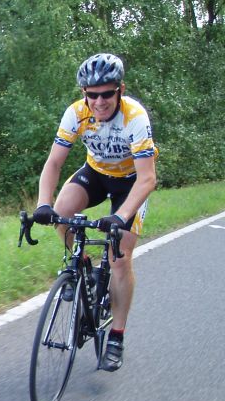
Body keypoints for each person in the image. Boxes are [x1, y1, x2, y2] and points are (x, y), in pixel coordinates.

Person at [33, 53, 157, 372]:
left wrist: (120, 217)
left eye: (107, 93)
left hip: (130, 182)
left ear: (120, 90)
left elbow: (148, 178)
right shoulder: (76, 113)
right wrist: (42, 205)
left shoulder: (134, 117)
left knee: (120, 259)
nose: (99, 101)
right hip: (96, 173)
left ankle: (116, 335)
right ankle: (82, 265)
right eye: (92, 94)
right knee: (61, 212)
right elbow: (54, 163)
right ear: (84, 94)